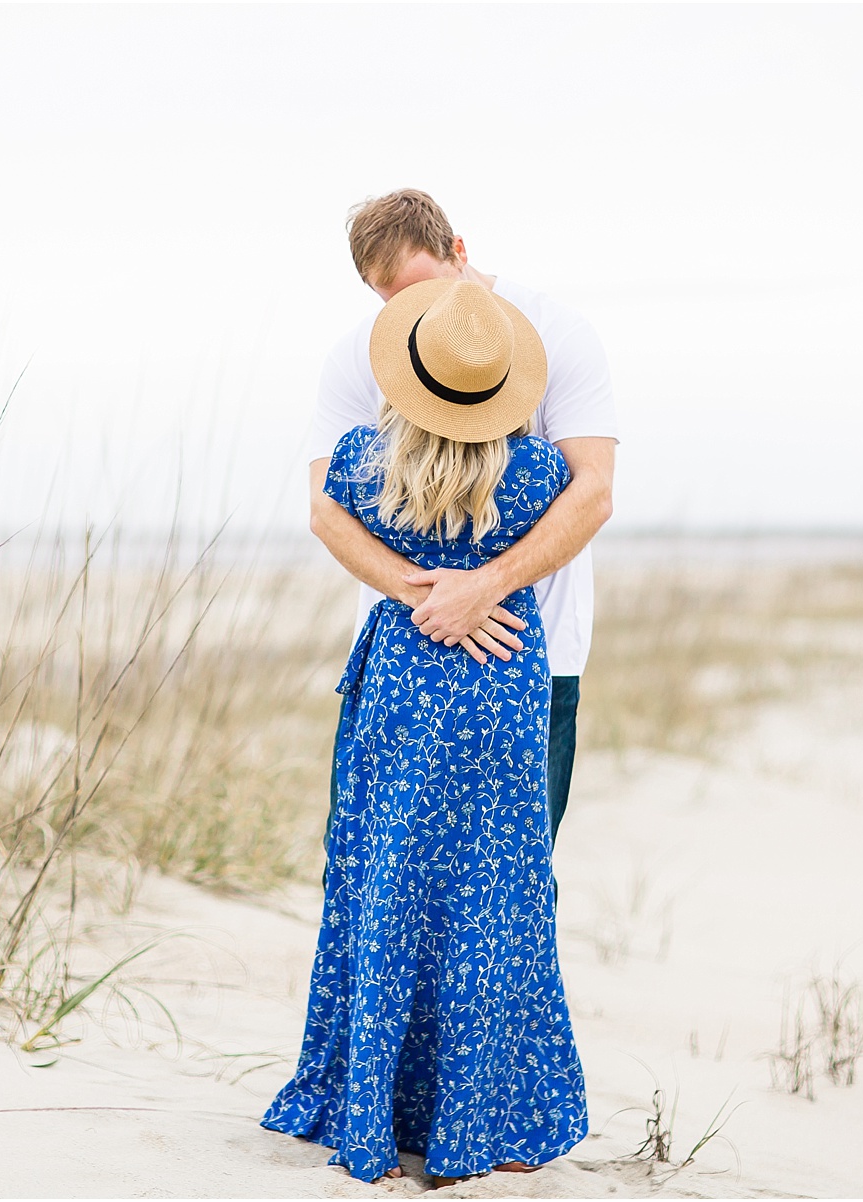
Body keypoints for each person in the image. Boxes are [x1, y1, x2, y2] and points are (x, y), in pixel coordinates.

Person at [261, 276, 589, 1185]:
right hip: (500, 677)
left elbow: (323, 509)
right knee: (498, 895)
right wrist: (472, 587)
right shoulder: (539, 476)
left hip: (405, 681)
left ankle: (374, 1113)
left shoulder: (368, 463)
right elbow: (586, 501)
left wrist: (417, 587)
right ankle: (486, 1125)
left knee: (387, 881)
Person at [307, 189, 617, 851]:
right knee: (370, 865)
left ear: (459, 252)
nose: (407, 315)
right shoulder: (358, 354)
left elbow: (592, 492)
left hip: (535, 654)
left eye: (420, 288)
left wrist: (485, 588)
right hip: (399, 649)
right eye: (389, 301)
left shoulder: (557, 334)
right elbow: (325, 509)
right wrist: (425, 598)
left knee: (517, 871)